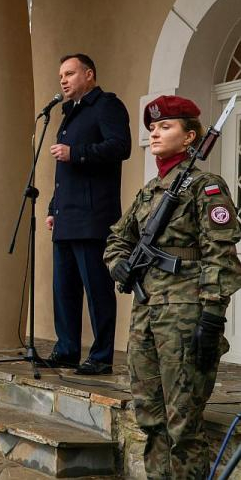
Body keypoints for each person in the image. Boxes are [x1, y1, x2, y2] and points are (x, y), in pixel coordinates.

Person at [104, 95, 241, 478]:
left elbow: (222, 256)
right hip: (147, 314)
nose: (155, 132)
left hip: (185, 314)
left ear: (190, 137)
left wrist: (211, 318)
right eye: (152, 127)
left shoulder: (206, 186)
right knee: (151, 419)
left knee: (183, 426)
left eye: (166, 126)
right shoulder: (150, 192)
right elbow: (118, 238)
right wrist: (119, 266)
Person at [45, 53, 131, 375]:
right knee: (64, 289)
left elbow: (120, 147)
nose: (63, 80)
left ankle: (101, 355)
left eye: (69, 73)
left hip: (94, 216)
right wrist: (54, 208)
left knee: (97, 289)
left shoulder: (106, 105)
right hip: (66, 217)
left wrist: (76, 153)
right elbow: (63, 175)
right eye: (61, 77)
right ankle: (66, 349)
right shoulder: (69, 114)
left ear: (89, 74)